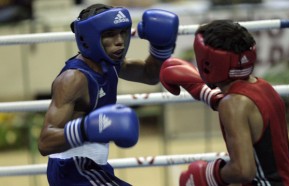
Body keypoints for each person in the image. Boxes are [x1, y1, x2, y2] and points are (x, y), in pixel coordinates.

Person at [37, 4, 181, 186]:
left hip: (94, 168)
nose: (120, 41)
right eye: (110, 34)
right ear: (89, 38)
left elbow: (149, 75)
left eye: (122, 32)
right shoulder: (73, 79)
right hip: (73, 169)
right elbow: (45, 142)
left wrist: (160, 49)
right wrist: (86, 129)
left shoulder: (110, 64)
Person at [160, 20, 289, 185]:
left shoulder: (233, 104)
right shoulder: (263, 87)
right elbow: (246, 115)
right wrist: (205, 93)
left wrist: (206, 176)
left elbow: (243, 170)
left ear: (207, 64)